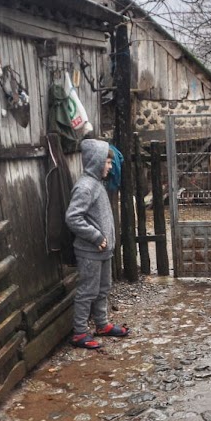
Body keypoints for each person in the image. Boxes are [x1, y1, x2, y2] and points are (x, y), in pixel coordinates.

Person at [65, 138, 130, 349]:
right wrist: (96, 237)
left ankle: (102, 324)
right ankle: (80, 333)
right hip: (89, 251)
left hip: (103, 250)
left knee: (103, 288)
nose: (111, 167)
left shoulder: (97, 184)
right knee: (87, 292)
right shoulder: (84, 187)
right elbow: (73, 218)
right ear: (95, 161)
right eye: (108, 162)